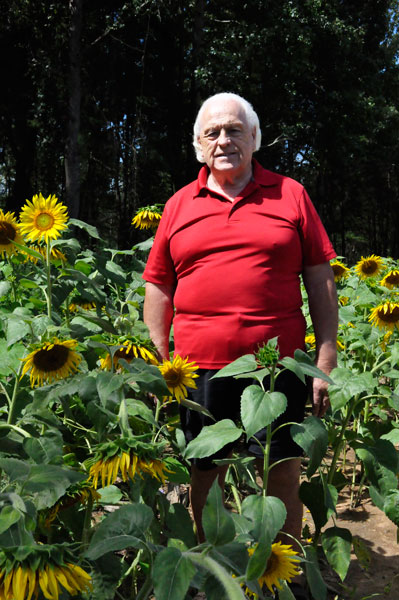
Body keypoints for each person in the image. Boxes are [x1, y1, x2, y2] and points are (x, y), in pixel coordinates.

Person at [143, 92, 338, 597]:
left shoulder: (290, 194)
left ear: (255, 138)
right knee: (205, 476)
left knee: (281, 477)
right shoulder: (179, 205)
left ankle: (280, 576)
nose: (224, 140)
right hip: (198, 366)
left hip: (278, 368)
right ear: (198, 146)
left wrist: (327, 353)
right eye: (212, 133)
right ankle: (216, 575)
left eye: (234, 130)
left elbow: (320, 277)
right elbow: (159, 286)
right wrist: (159, 360)